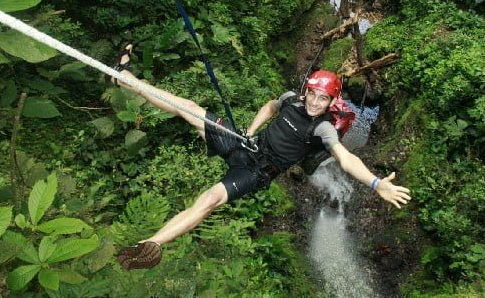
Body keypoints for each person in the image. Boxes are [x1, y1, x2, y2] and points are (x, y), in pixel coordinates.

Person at [113, 44, 411, 269]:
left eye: (324, 99)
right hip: (245, 144)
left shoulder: (322, 128)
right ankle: (125, 79)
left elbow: (345, 159)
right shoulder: (291, 100)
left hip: (257, 172)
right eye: (313, 95)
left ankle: (151, 243)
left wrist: (375, 184)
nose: (315, 103)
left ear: (332, 102)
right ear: (305, 91)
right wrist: (249, 131)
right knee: (187, 108)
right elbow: (270, 107)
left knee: (209, 201)